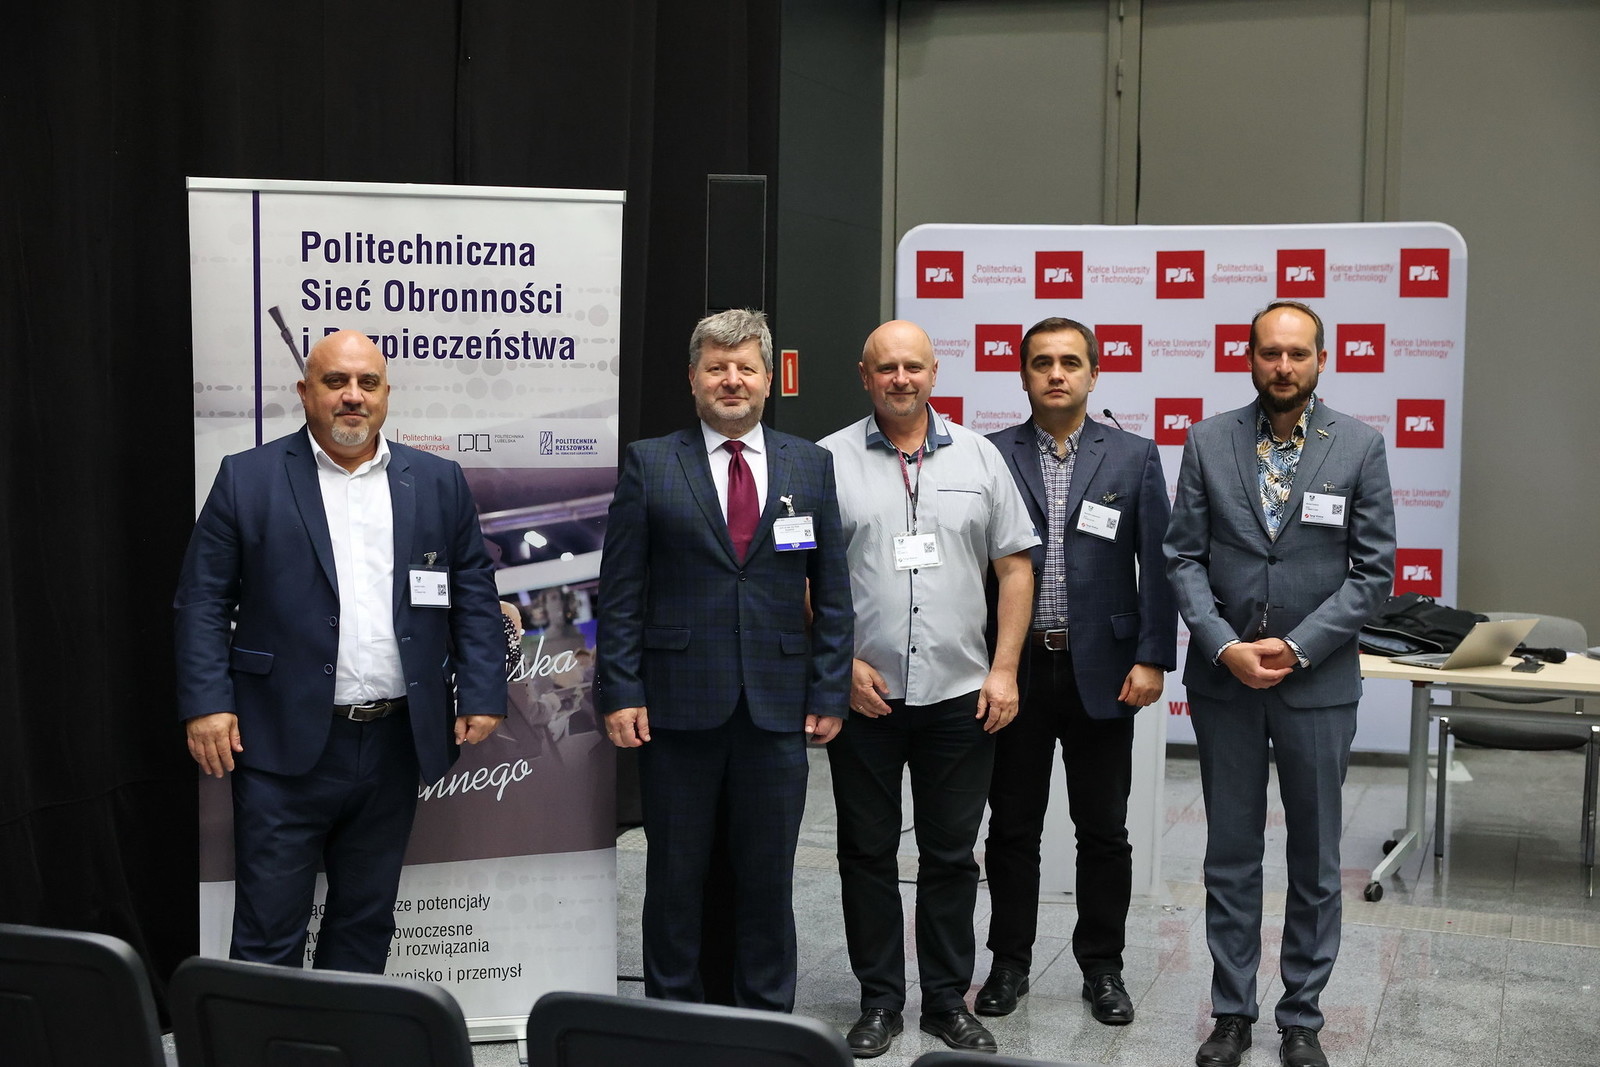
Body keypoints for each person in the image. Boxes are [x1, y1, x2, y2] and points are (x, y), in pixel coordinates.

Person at [175, 329, 507, 973]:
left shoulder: (437, 480)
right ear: (305, 393)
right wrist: (206, 704)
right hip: (280, 740)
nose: (353, 396)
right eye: (336, 382)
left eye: (367, 383)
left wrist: (483, 690)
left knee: (365, 922)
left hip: (394, 743)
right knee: (269, 932)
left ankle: (348, 1031)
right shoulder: (248, 477)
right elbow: (202, 601)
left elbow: (473, 590)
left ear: (386, 395)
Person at [595, 308, 853, 1012]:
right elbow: (621, 592)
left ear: (769, 379)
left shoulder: (809, 464)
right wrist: (620, 690)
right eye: (717, 367)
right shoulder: (651, 462)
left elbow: (833, 592)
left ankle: (766, 1021)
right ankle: (674, 1020)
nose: (731, 379)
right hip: (676, 709)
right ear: (693, 378)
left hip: (777, 709)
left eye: (745, 367)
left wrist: (830, 690)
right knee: (675, 878)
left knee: (768, 878)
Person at [1163, 301, 1396, 1067]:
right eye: (1270, 352)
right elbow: (1182, 558)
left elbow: (1373, 574)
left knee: (1316, 857)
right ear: (1250, 357)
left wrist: (1298, 647)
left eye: (1298, 352)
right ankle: (1232, 1012)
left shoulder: (1359, 445)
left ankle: (1302, 1016)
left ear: (1321, 359)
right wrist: (1224, 644)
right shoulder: (1208, 440)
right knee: (1230, 853)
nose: (1284, 366)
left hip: (1317, 684)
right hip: (1226, 682)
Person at [819, 319, 1038, 1058]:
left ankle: (946, 1001)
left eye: (913, 366)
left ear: (934, 373)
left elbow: (1015, 567)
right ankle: (879, 1001)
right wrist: (840, 662)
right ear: (865, 375)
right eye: (886, 368)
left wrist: (1003, 669)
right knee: (866, 853)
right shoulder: (826, 460)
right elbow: (800, 575)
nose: (901, 379)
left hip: (959, 696)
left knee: (951, 856)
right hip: (866, 696)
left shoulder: (980, 457)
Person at [976, 317, 1176, 1026]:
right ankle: (1009, 963)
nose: (1056, 374)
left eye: (1069, 362)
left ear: (1094, 373)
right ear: (1023, 374)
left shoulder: (1133, 456)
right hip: (1017, 669)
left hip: (1105, 669)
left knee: (1104, 831)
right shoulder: (989, 454)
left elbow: (1160, 562)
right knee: (1012, 828)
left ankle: (1103, 967)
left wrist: (1153, 655)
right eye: (1042, 362)